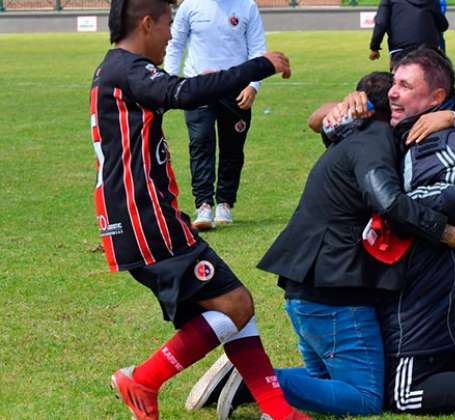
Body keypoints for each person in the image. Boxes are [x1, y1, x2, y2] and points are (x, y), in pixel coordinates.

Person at [201, 48, 455, 420]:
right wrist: (443, 232)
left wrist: (454, 119)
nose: (395, 91)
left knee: (364, 384)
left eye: (405, 85)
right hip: (332, 283)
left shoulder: (436, 122)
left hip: (326, 282)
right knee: (369, 391)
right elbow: (325, 130)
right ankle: (253, 379)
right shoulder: (376, 134)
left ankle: (254, 380)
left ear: (436, 96)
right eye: (393, 83)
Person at [90, 1, 305, 419]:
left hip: (139, 216)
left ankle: (280, 412)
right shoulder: (127, 69)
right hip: (145, 216)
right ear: (147, 23)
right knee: (236, 304)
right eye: (168, 25)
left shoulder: (113, 69)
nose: (171, 34)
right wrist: (258, 65)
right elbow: (183, 93)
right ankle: (145, 378)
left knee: (231, 304)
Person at [164, 0, 267, 230]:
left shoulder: (247, 6)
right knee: (200, 144)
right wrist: (169, 83)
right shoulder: (190, 6)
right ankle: (203, 205)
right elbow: (175, 45)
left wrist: (253, 85)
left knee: (232, 148)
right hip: (198, 87)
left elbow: (258, 49)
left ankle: (225, 203)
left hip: (236, 88)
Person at [369, 0, 449, 66]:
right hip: (428, 51)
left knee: (400, 82)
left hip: (400, 51)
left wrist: (374, 48)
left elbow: (381, 23)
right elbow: (443, 25)